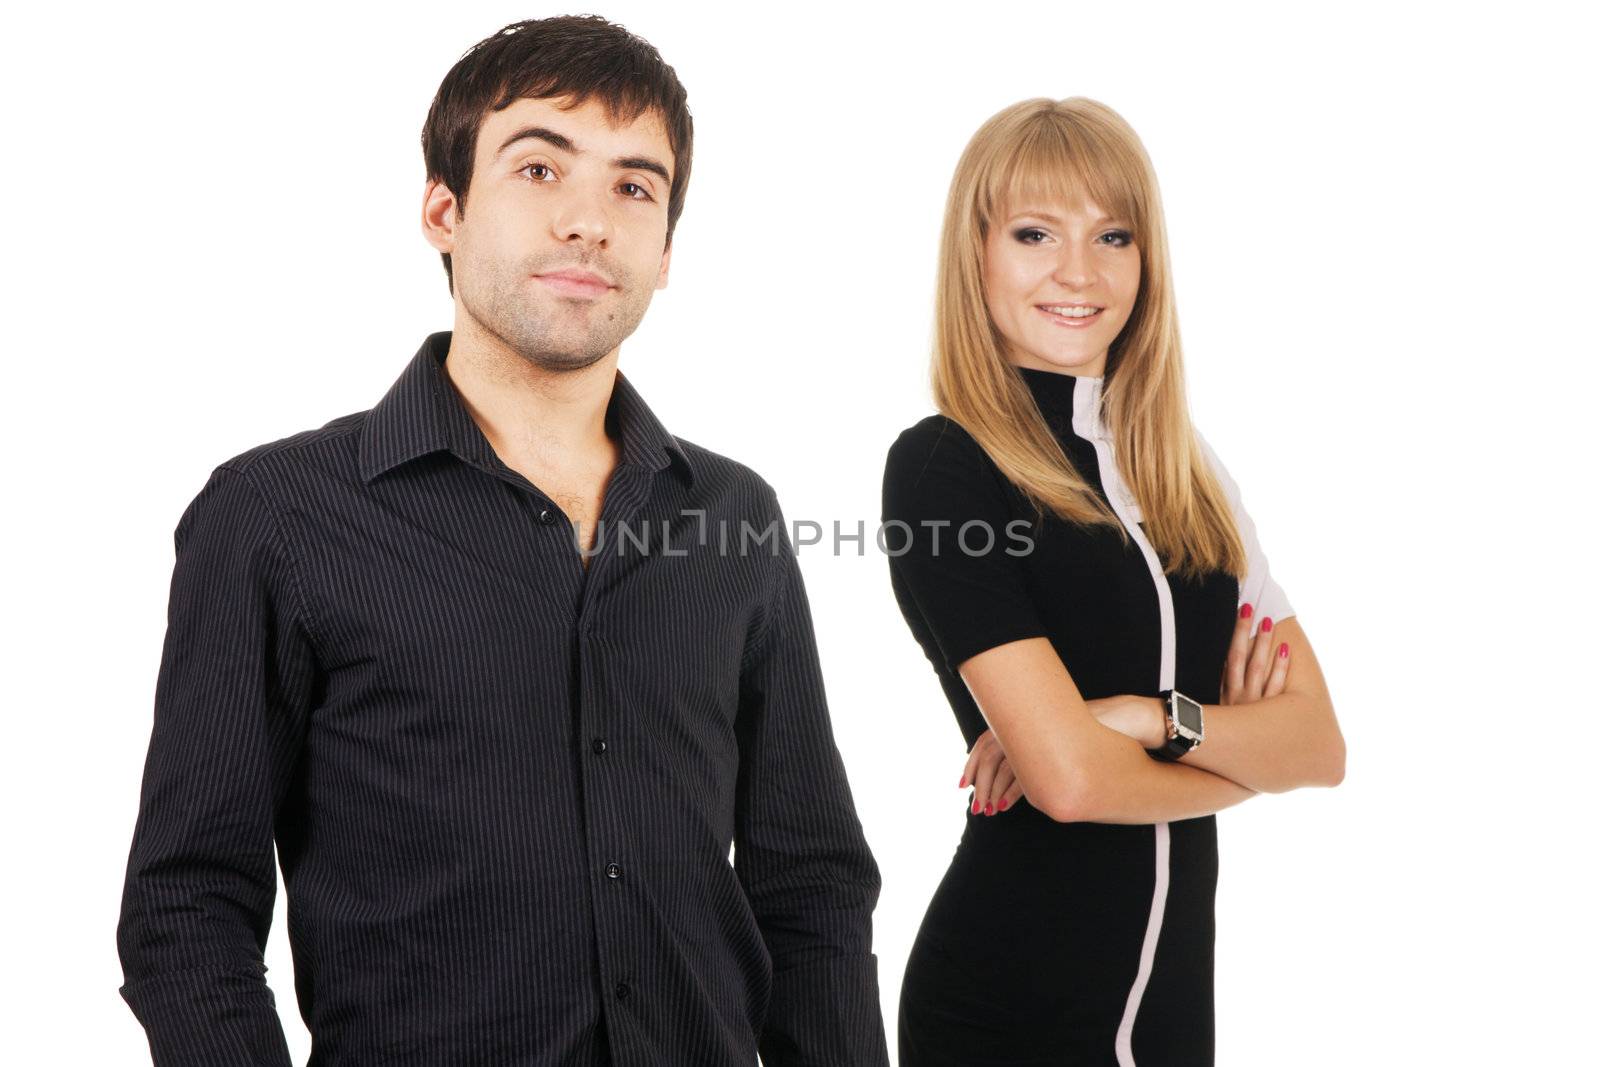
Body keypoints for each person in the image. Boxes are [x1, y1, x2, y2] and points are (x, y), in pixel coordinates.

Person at [115, 16, 889, 1067]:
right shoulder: (278, 514)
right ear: (444, 208)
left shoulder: (733, 518)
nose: (588, 222)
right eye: (538, 167)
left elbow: (811, 890)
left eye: (633, 186)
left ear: (665, 253)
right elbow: (186, 902)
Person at [880, 97, 1345, 1066]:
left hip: (1173, 1014)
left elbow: (1322, 744)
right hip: (1004, 1011)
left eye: (1112, 234)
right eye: (1035, 233)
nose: (1078, 271)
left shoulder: (1186, 469)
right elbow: (1068, 780)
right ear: (977, 253)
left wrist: (1144, 715)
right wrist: (1247, 756)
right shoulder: (943, 468)